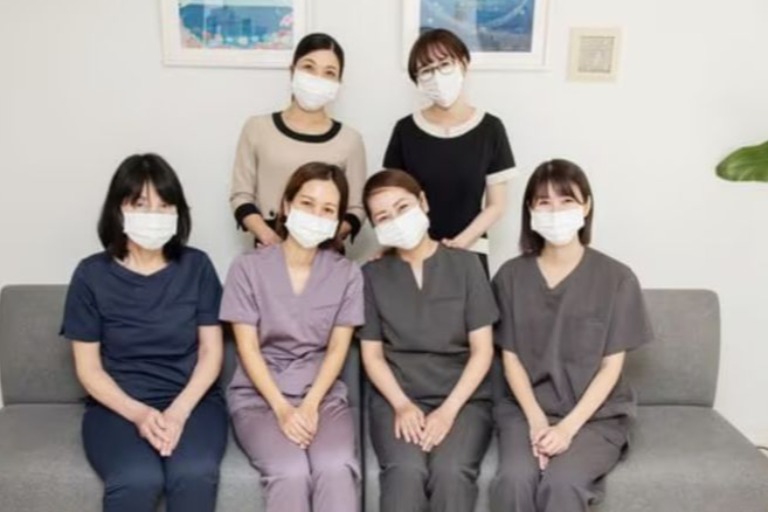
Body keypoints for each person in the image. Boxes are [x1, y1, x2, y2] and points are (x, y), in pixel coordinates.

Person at [61, 154, 228, 512]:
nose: (155, 215)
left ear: (178, 213)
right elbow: (89, 369)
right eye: (141, 205)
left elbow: (211, 352)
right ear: (118, 210)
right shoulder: (90, 275)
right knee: (138, 478)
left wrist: (179, 411)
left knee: (194, 472)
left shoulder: (197, 266)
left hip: (193, 401)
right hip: (117, 405)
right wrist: (138, 413)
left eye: (165, 206)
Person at [490, 159, 654, 512]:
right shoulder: (510, 277)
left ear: (586, 206)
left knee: (562, 483)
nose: (555, 212)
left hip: (594, 416)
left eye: (566, 201)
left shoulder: (617, 278)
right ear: (530, 209)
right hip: (525, 409)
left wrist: (566, 429)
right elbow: (510, 357)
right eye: (544, 202)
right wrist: (536, 420)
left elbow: (611, 368)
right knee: (514, 480)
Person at [221, 162, 364, 512]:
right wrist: (283, 409)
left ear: (337, 220)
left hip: (322, 395)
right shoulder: (247, 268)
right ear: (286, 205)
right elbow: (247, 347)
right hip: (260, 397)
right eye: (307, 203)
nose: (316, 215)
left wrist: (311, 405)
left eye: (328, 209)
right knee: (290, 471)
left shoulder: (347, 274)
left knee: (335, 466)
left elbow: (338, 348)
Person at [359, 169, 498, 512]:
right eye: (383, 217)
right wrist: (402, 405)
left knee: (451, 472)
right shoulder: (370, 276)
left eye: (403, 207)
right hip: (396, 396)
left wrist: (448, 411)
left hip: (463, 399)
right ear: (376, 228)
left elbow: (482, 351)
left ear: (423, 201)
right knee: (405, 472)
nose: (396, 220)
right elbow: (372, 355)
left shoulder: (467, 265)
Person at [383, 28, 515, 270]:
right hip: (414, 251)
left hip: (470, 251)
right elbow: (390, 199)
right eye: (426, 70)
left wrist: (461, 242)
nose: (436, 76)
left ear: (463, 63)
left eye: (444, 64)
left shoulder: (490, 129)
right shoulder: (405, 130)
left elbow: (497, 205)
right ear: (417, 80)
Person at [230, 32, 366, 246]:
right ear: (292, 70)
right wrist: (269, 238)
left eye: (329, 73)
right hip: (268, 248)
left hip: (325, 252)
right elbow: (241, 196)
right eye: (309, 67)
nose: (317, 78)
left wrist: (324, 242)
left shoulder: (350, 140)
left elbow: (356, 209)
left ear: (338, 82)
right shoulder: (257, 128)